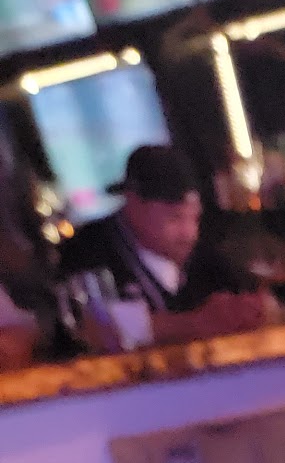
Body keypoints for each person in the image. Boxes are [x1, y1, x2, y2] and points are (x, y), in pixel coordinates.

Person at [59, 145, 272, 344]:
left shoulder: (204, 254)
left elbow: (257, 297)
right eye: (174, 218)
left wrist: (254, 308)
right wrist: (193, 323)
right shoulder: (87, 249)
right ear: (133, 204)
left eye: (194, 218)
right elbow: (88, 328)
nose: (189, 233)